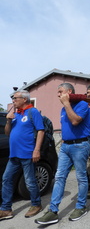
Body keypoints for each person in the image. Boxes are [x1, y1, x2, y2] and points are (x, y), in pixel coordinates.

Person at [35, 83, 90, 224]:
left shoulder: (83, 104)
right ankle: (53, 211)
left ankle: (81, 206)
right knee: (59, 177)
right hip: (66, 146)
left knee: (81, 177)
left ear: (69, 91)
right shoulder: (62, 108)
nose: (58, 94)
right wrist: (65, 105)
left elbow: (75, 121)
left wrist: (67, 104)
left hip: (80, 145)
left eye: (60, 91)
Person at [0, 90, 44, 220]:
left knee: (30, 182)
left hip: (27, 154)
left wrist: (36, 150)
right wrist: (8, 121)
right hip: (14, 155)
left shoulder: (33, 112)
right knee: (6, 179)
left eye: (15, 98)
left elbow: (41, 131)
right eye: (13, 98)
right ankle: (6, 209)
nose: (13, 100)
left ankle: (36, 204)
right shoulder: (16, 114)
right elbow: (7, 133)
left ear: (24, 99)